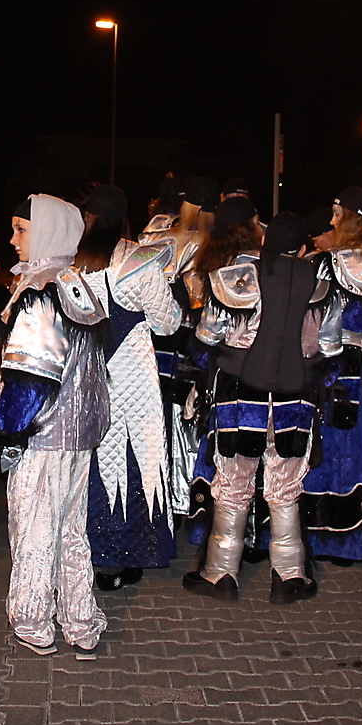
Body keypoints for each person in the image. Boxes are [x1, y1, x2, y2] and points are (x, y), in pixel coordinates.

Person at [182, 204, 333, 603]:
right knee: (285, 487)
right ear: (303, 248)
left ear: (264, 241)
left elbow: (207, 336)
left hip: (238, 394)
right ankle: (289, 576)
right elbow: (329, 345)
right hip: (295, 397)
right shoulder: (320, 284)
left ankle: (220, 574)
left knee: (233, 483)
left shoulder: (233, 279)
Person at [0, 194, 111, 658]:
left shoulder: (41, 292)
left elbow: (30, 376)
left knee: (34, 528)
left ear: (47, 231)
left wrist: (10, 432)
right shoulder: (75, 284)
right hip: (78, 432)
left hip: (42, 432)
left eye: (22, 229)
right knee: (70, 529)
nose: (13, 239)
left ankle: (33, 619)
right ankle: (80, 620)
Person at [75, 185, 183, 591]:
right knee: (134, 459)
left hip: (85, 372)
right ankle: (125, 553)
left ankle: (83, 547)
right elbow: (167, 323)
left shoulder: (73, 261)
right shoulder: (140, 260)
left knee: (90, 457)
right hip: (132, 375)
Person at [303, 187, 362, 566]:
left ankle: (335, 533)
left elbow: (314, 318)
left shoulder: (328, 264)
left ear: (350, 219)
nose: (331, 221)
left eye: (337, 214)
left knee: (336, 446)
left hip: (339, 364)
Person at [140, 175, 219, 521]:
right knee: (193, 415)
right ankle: (191, 496)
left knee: (162, 416)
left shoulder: (159, 237)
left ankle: (160, 496)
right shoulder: (219, 242)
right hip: (199, 340)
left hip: (161, 338)